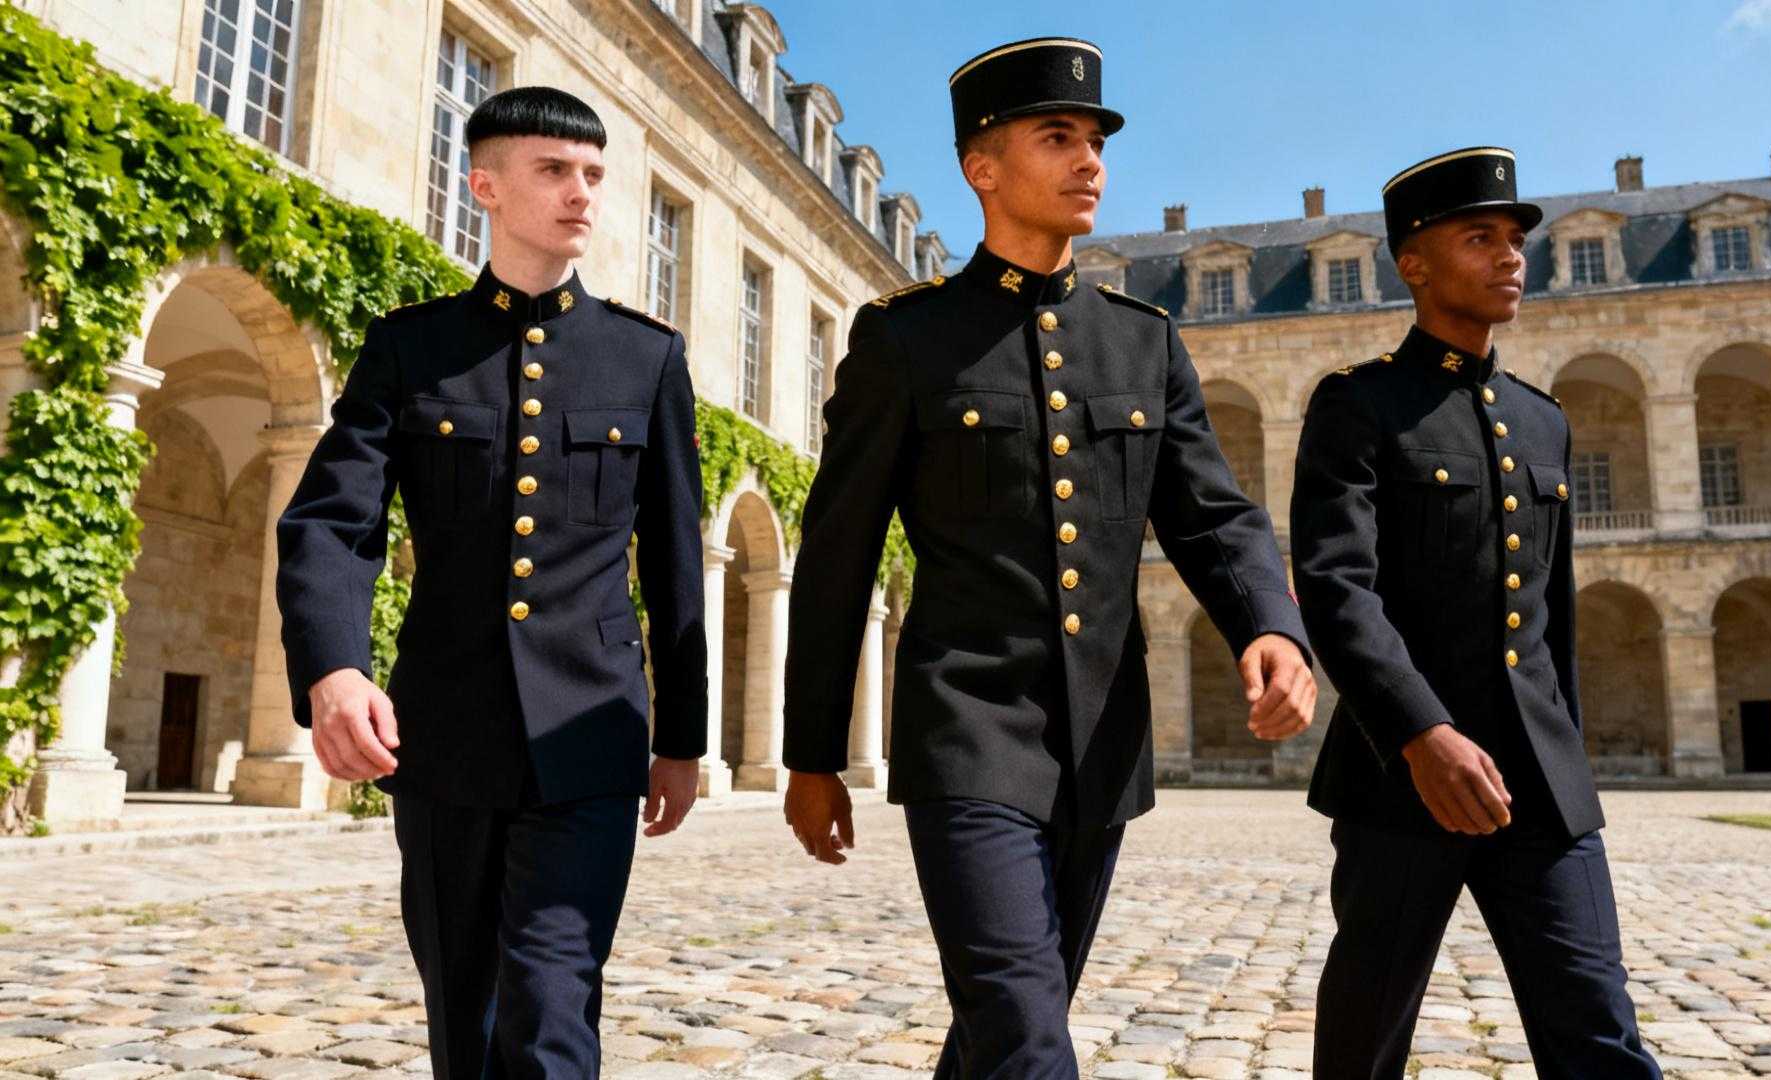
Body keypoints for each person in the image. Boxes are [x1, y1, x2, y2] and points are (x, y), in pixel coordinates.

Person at [780, 37, 1316, 1078]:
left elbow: (1213, 515)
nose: (1090, 161)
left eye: (1097, 142)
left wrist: (1271, 625)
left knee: (1008, 1022)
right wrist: (812, 755)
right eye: (1058, 137)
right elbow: (837, 555)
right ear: (981, 167)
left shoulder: (1144, 343)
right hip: (966, 729)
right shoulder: (906, 341)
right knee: (1027, 1035)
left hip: (1100, 744)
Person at [274, 86, 707, 1078]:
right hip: (445, 737)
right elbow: (333, 521)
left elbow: (675, 565)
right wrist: (334, 669)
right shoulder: (411, 349)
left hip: (590, 733)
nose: (582, 193)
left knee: (553, 1012)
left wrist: (680, 738)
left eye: (594, 174)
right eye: (555, 170)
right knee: (462, 1018)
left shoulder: (645, 359)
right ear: (485, 187)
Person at [1289, 146, 1662, 1079]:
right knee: (1366, 1040)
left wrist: (1567, 756)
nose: (1510, 257)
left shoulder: (1543, 420)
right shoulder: (1360, 404)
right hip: (1402, 777)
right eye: (1481, 238)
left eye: (1515, 240)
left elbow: (1551, 617)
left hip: (1537, 778)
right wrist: (1421, 734)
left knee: (1600, 1029)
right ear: (1413, 263)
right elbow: (1337, 588)